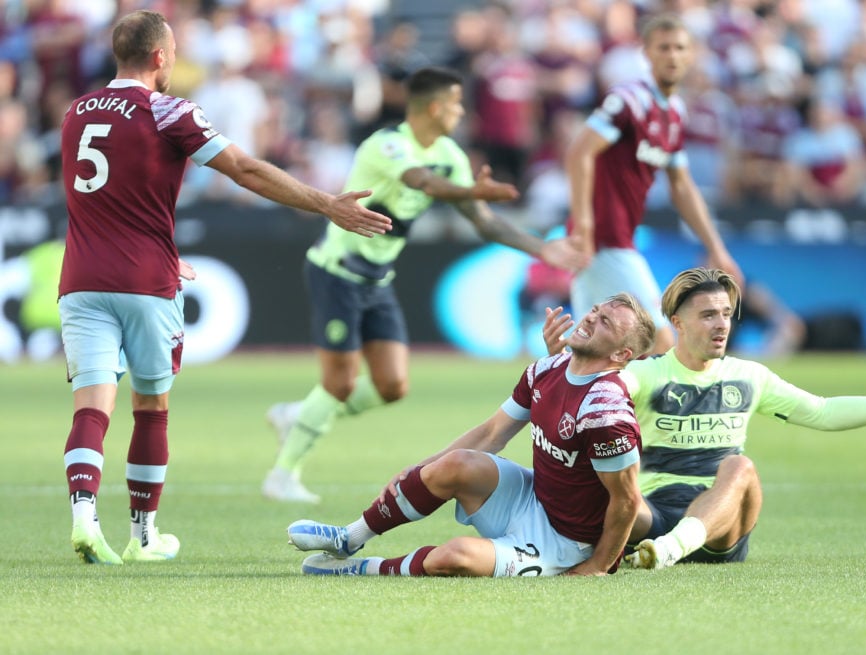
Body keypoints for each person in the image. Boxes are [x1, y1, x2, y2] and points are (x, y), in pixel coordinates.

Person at [59, 9, 392, 566]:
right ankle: (143, 537)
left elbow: (105, 198)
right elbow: (245, 169)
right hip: (146, 281)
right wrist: (326, 204)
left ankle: (84, 520)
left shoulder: (75, 112)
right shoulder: (170, 110)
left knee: (91, 407)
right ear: (161, 56)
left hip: (82, 281)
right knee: (151, 407)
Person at [261, 66, 588, 504]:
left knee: (393, 387)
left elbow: (483, 223)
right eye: (455, 103)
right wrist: (471, 192)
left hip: (378, 279)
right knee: (339, 382)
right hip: (336, 271)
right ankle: (283, 475)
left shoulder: (450, 152)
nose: (460, 111)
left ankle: (300, 414)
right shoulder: (387, 145)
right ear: (434, 107)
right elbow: (423, 182)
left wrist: (541, 250)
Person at [542, 267, 866, 569]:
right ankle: (536, 546)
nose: (721, 325)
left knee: (740, 466)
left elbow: (822, 412)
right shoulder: (645, 374)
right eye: (708, 315)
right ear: (678, 323)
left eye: (726, 314)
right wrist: (562, 361)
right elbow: (590, 396)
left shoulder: (749, 376)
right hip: (653, 515)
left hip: (721, 527)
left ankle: (669, 550)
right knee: (604, 478)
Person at [285, 293, 656, 577]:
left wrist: (598, 566)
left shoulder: (606, 413)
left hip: (564, 541)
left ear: (622, 355)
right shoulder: (547, 367)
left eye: (605, 321)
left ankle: (362, 568)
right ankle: (349, 538)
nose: (591, 317)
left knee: (456, 556)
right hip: (532, 497)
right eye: (595, 309)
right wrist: (419, 469)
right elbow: (492, 432)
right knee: (458, 463)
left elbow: (625, 501)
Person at [565, 12, 743, 356]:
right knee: (657, 338)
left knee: (587, 351)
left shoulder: (675, 111)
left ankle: (562, 407)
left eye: (679, 48)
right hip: (603, 238)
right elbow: (579, 153)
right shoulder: (629, 100)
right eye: (663, 48)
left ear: (691, 55)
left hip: (615, 238)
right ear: (646, 53)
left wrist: (716, 248)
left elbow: (681, 186)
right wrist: (584, 224)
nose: (672, 56)